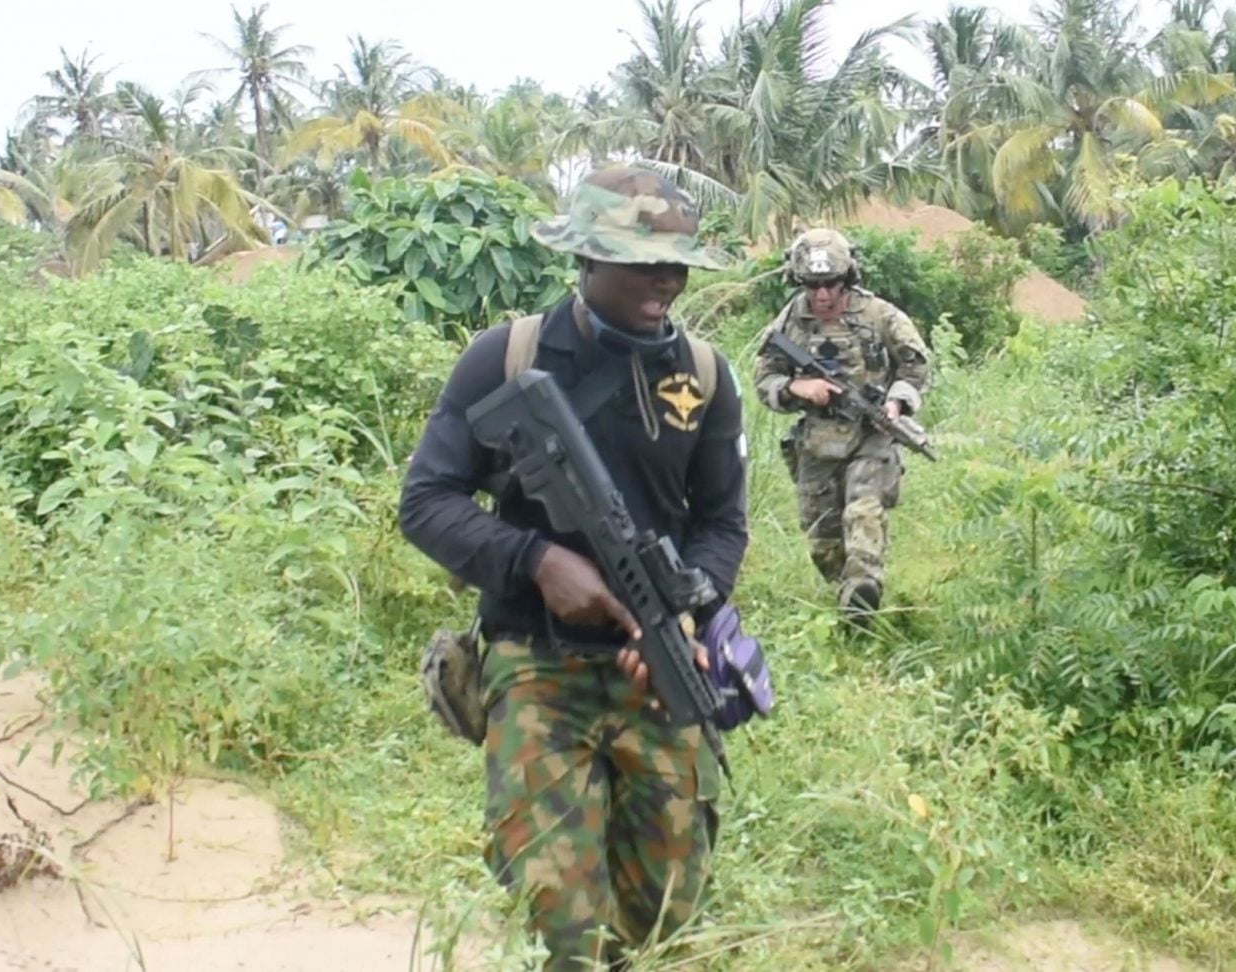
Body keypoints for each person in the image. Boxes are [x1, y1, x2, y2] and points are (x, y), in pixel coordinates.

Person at [398, 166, 748, 970]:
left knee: (666, 915)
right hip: (537, 668)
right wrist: (535, 560)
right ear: (585, 258)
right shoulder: (507, 356)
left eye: (676, 264)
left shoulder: (704, 374)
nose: (666, 280)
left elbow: (723, 523)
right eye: (641, 262)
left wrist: (687, 606)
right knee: (562, 921)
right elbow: (426, 500)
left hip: (654, 674)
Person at [752, 227, 932, 622]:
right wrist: (798, 387)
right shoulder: (791, 321)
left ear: (846, 278)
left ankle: (863, 588)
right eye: (812, 285)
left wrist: (897, 402)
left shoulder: (879, 315)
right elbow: (765, 377)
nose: (822, 295)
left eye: (831, 284)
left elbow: (917, 366)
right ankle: (849, 600)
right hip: (817, 441)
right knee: (822, 538)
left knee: (863, 511)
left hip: (872, 436)